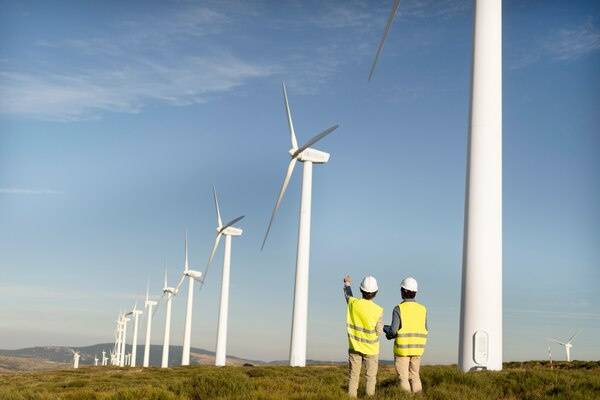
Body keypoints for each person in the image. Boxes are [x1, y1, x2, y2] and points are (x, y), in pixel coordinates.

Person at [384, 277, 428, 394]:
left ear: (403, 291)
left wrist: (388, 333)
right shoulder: (422, 309)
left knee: (403, 378)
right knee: (415, 376)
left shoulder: (398, 308)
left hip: (402, 350)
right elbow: (424, 328)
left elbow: (393, 331)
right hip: (417, 349)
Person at [343, 275, 384, 398]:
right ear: (376, 292)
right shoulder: (378, 310)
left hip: (355, 347)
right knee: (370, 377)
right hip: (371, 349)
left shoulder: (353, 303)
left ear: (361, 289)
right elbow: (379, 331)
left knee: (353, 376)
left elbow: (348, 295)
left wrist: (347, 283)